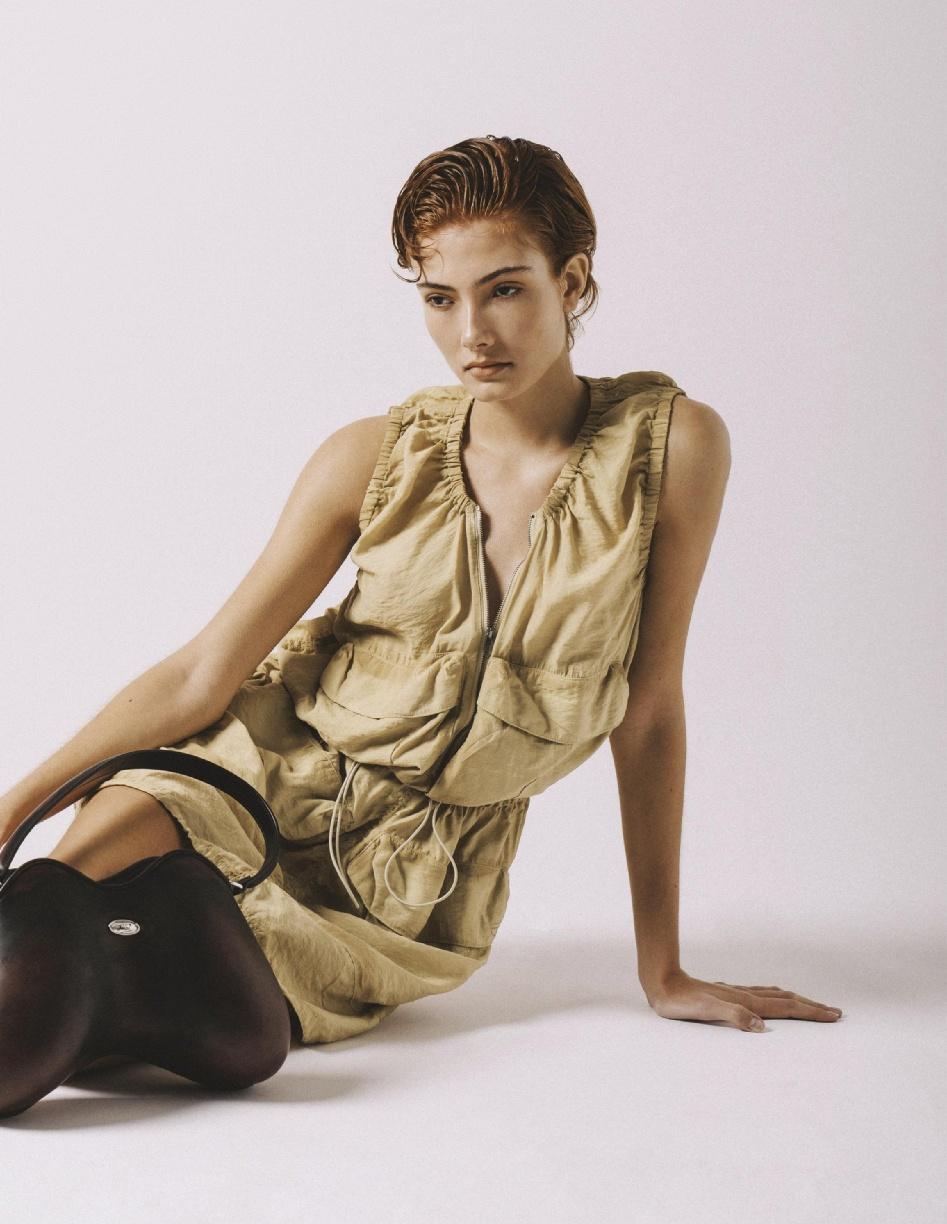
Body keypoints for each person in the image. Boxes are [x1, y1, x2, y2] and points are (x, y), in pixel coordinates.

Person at [0, 134, 842, 1046]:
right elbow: (204, 672)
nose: (471, 332)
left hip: (406, 883)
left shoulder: (670, 450)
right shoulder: (371, 456)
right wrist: (8, 814)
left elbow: (647, 712)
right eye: (441, 298)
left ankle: (147, 997)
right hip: (246, 778)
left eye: (504, 289)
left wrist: (661, 969)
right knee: (40, 939)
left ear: (571, 281)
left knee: (151, 1017)